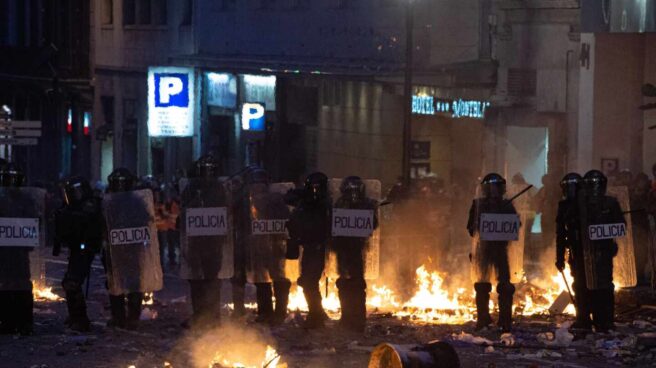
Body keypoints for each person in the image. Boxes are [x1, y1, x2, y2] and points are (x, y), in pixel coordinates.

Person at [103, 168, 163, 330]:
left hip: (130, 249)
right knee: (120, 283)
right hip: (119, 250)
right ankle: (126, 318)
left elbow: (146, 222)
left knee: (128, 283)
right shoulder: (111, 202)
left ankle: (125, 318)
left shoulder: (134, 202)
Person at [179, 155, 228, 329]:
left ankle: (210, 316)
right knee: (201, 280)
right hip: (199, 243)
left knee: (208, 281)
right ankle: (204, 316)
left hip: (211, 243)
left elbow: (228, 213)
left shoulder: (220, 189)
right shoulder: (193, 189)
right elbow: (184, 212)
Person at [467, 173, 518, 332]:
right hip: (484, 249)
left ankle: (505, 320)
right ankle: (483, 319)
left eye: (497, 188)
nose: (495, 191)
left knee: (505, 286)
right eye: (492, 188)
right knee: (481, 285)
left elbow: (515, 226)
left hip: (501, 250)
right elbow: (471, 227)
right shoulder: (479, 205)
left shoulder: (507, 205)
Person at [54, 176, 104, 332]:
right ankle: (75, 315)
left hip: (85, 248)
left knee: (72, 282)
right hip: (76, 248)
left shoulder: (89, 206)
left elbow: (89, 226)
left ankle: (81, 320)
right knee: (69, 282)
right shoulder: (71, 207)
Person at [578, 170, 625, 332]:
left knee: (605, 286)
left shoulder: (611, 203)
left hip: (604, 250)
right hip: (585, 251)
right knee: (588, 286)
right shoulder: (581, 205)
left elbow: (620, 225)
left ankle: (606, 320)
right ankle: (591, 319)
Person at [243, 168, 291, 325]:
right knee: (262, 281)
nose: (257, 188)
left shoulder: (275, 200)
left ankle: (279, 312)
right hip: (258, 246)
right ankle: (266, 312)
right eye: (255, 184)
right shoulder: (248, 202)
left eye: (259, 184)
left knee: (278, 279)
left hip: (275, 246)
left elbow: (285, 219)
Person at [332, 176, 378, 332]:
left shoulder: (366, 205)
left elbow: (373, 224)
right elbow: (332, 222)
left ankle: (357, 320)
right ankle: (347, 318)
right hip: (343, 248)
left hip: (357, 249)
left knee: (356, 285)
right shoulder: (340, 203)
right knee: (344, 283)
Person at [287, 172, 331, 328]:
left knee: (309, 282)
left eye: (317, 187)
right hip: (307, 246)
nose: (314, 191)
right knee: (307, 281)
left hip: (316, 247)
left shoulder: (323, 204)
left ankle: (316, 316)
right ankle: (316, 314)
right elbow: (289, 199)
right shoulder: (305, 202)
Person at [0, 163, 37, 335]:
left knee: (20, 283)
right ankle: (9, 321)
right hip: (6, 249)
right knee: (6, 284)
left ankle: (23, 322)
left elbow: (34, 220)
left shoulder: (27, 200)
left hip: (19, 248)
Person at [555, 173, 591, 331]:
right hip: (576, 250)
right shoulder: (564, 207)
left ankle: (597, 319)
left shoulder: (591, 204)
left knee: (591, 286)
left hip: (592, 251)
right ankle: (583, 318)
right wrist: (560, 257)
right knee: (579, 285)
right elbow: (561, 233)